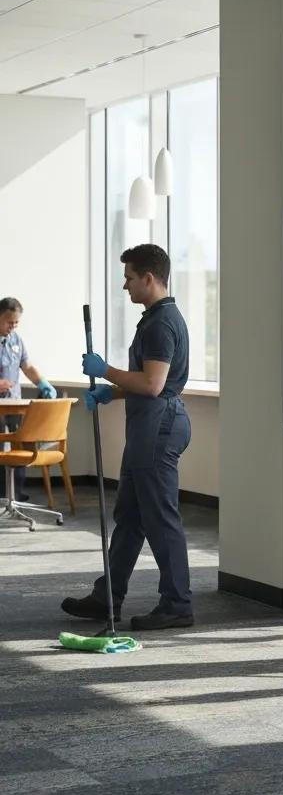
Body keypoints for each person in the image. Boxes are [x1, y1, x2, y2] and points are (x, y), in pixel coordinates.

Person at [61, 244, 194, 631]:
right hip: (150, 424)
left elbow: (153, 385)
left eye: (129, 278)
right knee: (131, 517)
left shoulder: (160, 323)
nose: (125, 286)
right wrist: (113, 391)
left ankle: (178, 603)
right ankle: (108, 596)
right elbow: (150, 381)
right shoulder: (156, 318)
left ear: (149, 278)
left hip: (159, 426)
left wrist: (106, 372)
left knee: (159, 517)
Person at [0, 296, 58, 502]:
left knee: (20, 443)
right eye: (9, 322)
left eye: (16, 322)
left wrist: (43, 384)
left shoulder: (16, 340)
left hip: (14, 403)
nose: (13, 326)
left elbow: (27, 366)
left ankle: (16, 492)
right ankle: (1, 493)